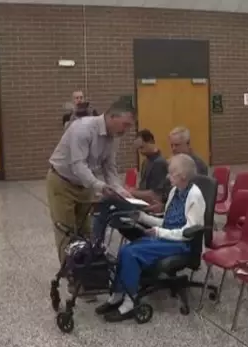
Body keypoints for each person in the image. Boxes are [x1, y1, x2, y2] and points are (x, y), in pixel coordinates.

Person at [95, 154, 206, 322]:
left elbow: (189, 231)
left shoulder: (195, 196)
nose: (168, 176)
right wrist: (142, 217)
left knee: (132, 253)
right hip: (168, 238)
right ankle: (118, 294)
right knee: (125, 249)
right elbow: (167, 222)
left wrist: (159, 232)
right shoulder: (175, 192)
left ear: (182, 176)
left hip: (182, 244)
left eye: (171, 173)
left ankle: (129, 303)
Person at [47, 100, 134, 269]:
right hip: (62, 181)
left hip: (85, 184)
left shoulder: (113, 137)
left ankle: (87, 274)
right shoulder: (83, 129)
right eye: (125, 124)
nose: (126, 130)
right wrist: (100, 186)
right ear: (112, 116)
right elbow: (78, 165)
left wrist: (119, 190)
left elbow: (109, 167)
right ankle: (72, 275)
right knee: (67, 232)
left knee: (86, 231)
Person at [90, 129, 168, 243]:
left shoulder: (160, 163)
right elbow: (144, 189)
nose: (141, 152)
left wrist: (130, 192)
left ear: (151, 141)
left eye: (142, 147)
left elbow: (155, 195)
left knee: (109, 201)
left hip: (149, 205)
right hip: (140, 201)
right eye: (138, 149)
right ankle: (97, 239)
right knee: (109, 201)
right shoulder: (146, 162)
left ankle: (95, 241)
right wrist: (130, 191)